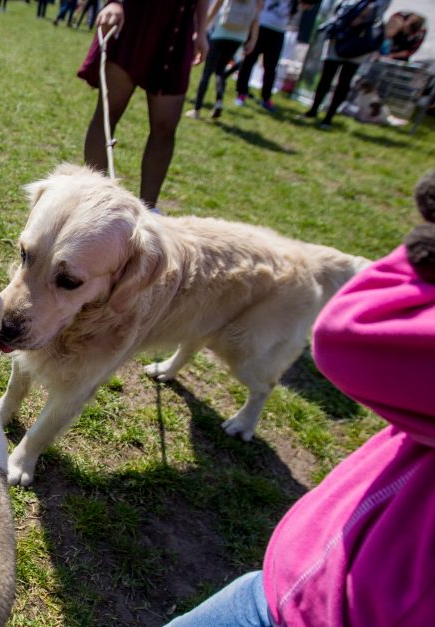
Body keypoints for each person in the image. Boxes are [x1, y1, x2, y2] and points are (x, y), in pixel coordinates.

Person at [166, 169, 435, 626]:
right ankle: (176, 365)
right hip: (298, 585)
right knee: (207, 327)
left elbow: (351, 333)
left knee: (245, 356)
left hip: (320, 605)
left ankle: (255, 403)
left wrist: (420, 260)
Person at [78, 0, 209, 209]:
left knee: (165, 127)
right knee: (107, 114)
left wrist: (201, 30)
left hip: (178, 26)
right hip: (135, 17)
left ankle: (149, 210)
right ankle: (95, 203)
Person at [304, 0, 388, 129]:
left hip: (359, 42)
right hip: (339, 37)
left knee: (344, 81)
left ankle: (329, 117)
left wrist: (360, 18)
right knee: (326, 77)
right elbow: (338, 9)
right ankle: (314, 109)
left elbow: (376, 14)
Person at [187, 0, 263, 120]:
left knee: (207, 72)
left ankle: (197, 109)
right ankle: (218, 102)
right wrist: (253, 40)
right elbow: (256, 18)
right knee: (220, 70)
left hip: (221, 33)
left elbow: (214, 9)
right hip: (239, 36)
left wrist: (201, 31)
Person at [235, 0, 315, 113]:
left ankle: (266, 97)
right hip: (261, 26)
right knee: (249, 60)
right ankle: (242, 92)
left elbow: (302, 7)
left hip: (279, 32)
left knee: (271, 67)